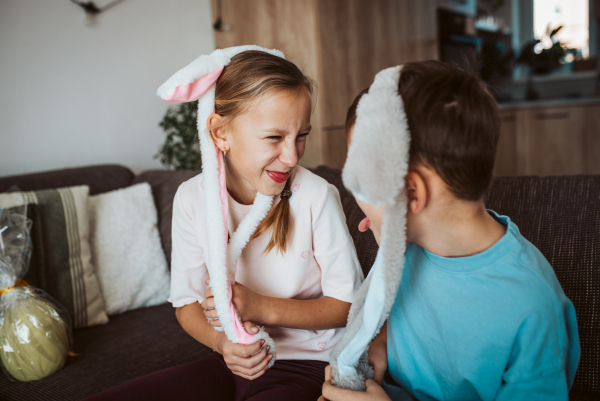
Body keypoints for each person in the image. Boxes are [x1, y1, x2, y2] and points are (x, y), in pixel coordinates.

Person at [85, 50, 363, 401]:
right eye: (274, 138)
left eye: (301, 135)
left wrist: (260, 306)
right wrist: (222, 343)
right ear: (220, 133)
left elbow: (349, 306)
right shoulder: (191, 199)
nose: (292, 156)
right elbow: (186, 304)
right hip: (228, 362)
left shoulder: (317, 196)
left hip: (310, 367)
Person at [321, 60, 580, 401]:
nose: (354, 191)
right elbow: (389, 315)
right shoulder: (409, 243)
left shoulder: (533, 310)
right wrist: (378, 348)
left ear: (411, 193)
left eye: (360, 176)